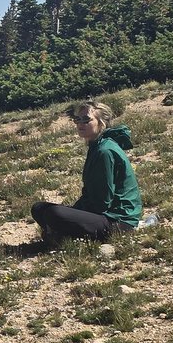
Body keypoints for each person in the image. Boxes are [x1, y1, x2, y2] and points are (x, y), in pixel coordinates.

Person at [31, 100, 143, 244]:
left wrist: (76, 213)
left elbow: (103, 201)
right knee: (39, 208)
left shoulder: (104, 151)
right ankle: (61, 235)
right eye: (78, 119)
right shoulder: (96, 146)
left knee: (55, 213)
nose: (80, 124)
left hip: (118, 220)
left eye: (86, 120)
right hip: (104, 214)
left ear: (101, 123)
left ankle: (62, 236)